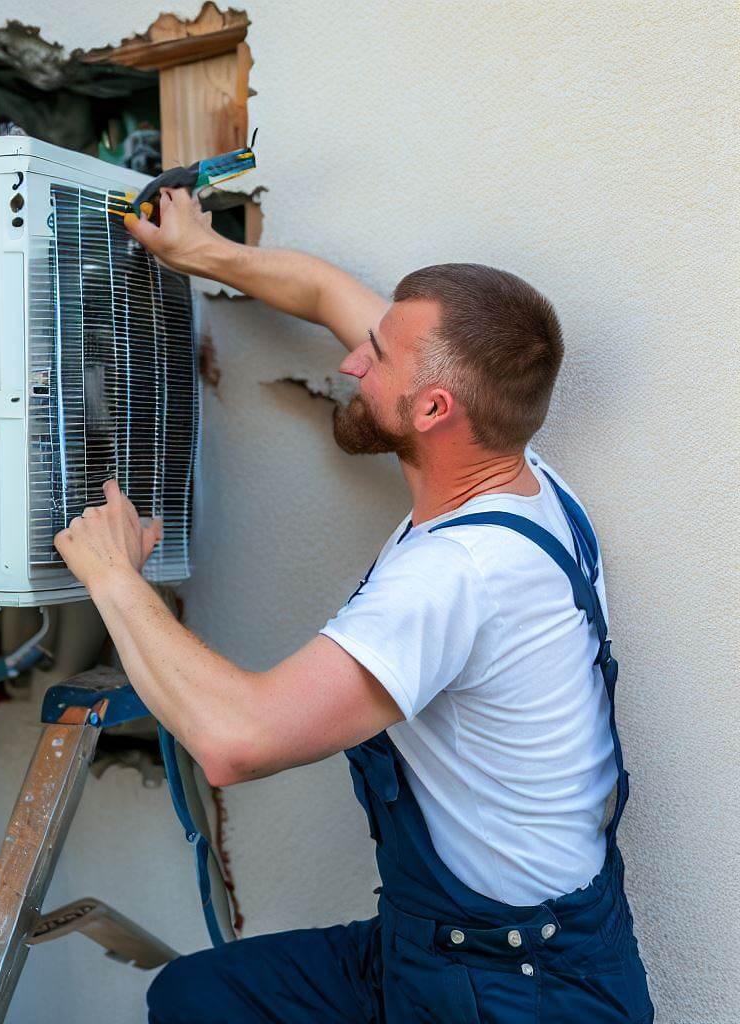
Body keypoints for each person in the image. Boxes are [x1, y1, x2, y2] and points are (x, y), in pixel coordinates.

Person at [53, 188, 654, 1023]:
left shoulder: (456, 576)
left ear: (435, 409)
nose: (350, 361)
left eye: (375, 356)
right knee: (200, 998)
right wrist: (201, 252)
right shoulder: (515, 468)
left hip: (518, 991)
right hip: (445, 943)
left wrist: (114, 575)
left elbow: (236, 740)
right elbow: (331, 294)